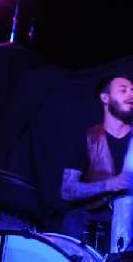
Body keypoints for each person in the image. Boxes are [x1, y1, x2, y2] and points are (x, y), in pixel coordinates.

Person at [60, 74, 132, 253]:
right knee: (73, 220)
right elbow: (67, 190)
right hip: (96, 218)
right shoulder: (87, 138)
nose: (131, 94)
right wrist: (110, 184)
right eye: (123, 90)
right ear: (105, 98)